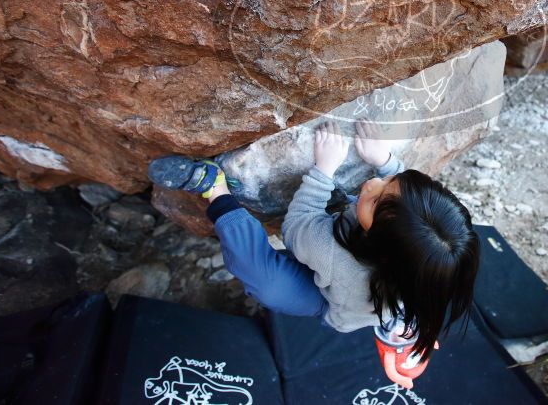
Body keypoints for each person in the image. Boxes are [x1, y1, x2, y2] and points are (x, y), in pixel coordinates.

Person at [148, 120, 480, 388]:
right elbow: (414, 209)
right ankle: (397, 329)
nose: (370, 185)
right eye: (389, 182)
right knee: (393, 281)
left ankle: (213, 186)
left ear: (378, 242)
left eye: (377, 200)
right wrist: (386, 162)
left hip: (330, 299)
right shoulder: (436, 258)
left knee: (265, 282)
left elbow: (297, 227)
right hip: (381, 293)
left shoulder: (336, 256)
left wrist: (323, 171)